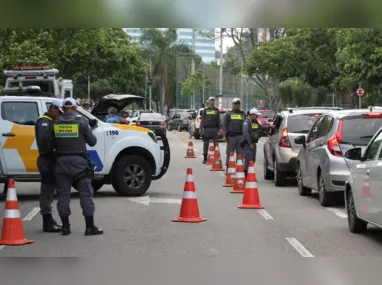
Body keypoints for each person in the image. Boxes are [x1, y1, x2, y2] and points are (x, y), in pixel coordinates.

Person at [52, 98, 103, 236]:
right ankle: (89, 227)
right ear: (75, 108)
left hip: (61, 163)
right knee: (86, 195)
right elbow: (92, 142)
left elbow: (50, 143)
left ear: (62, 109)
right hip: (79, 164)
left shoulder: (55, 123)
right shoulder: (81, 122)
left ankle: (65, 227)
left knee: (63, 196)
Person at [35, 99, 64, 233]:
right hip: (47, 161)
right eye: (59, 111)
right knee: (47, 192)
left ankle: (48, 219)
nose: (60, 114)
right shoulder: (44, 121)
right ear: (53, 108)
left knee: (50, 192)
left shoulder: (51, 121)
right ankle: (47, 222)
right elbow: (44, 142)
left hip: (51, 161)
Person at [241, 108, 274, 177]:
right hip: (247, 144)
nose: (257, 117)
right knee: (248, 160)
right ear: (252, 114)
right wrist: (250, 143)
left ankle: (249, 175)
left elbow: (261, 127)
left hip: (253, 144)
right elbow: (245, 133)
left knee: (253, 160)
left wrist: (270, 126)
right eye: (256, 115)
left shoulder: (255, 122)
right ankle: (245, 175)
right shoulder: (247, 122)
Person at [221, 98, 246, 172]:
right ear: (232, 104)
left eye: (238, 104)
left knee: (240, 154)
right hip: (231, 136)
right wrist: (224, 136)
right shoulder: (228, 114)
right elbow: (224, 126)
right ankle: (228, 168)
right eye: (235, 104)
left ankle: (239, 169)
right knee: (230, 153)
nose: (237, 105)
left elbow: (245, 125)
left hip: (240, 136)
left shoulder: (243, 114)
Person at [200, 97, 220, 164]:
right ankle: (205, 158)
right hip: (207, 129)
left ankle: (216, 158)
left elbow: (218, 120)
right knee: (206, 144)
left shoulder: (217, 110)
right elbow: (202, 120)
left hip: (214, 129)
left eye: (213, 101)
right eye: (211, 100)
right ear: (209, 102)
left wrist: (219, 129)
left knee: (216, 145)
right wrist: (201, 128)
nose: (212, 102)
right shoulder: (205, 110)